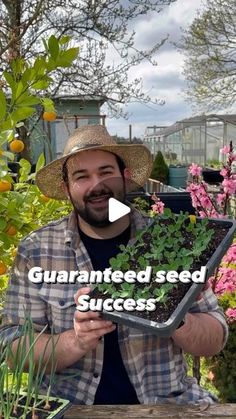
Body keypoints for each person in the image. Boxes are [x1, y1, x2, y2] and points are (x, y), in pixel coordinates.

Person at [0, 125, 228, 405]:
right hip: (72, 408)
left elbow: (215, 338)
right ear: (66, 188)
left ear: (125, 175)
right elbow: (12, 349)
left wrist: (173, 313)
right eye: (82, 176)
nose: (97, 185)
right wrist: (77, 340)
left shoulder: (171, 243)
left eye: (106, 172)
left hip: (166, 405)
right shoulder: (37, 251)